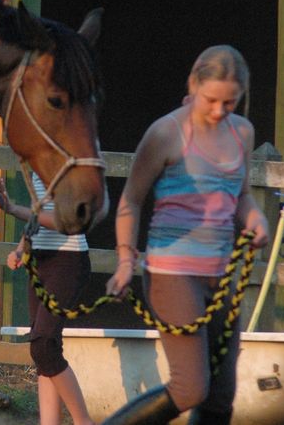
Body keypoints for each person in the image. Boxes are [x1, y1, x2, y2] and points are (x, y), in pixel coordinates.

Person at [103, 45, 269, 425]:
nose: (219, 110)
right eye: (211, 100)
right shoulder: (166, 132)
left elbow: (241, 194)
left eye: (230, 102)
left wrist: (256, 218)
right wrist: (126, 261)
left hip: (221, 274)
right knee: (190, 388)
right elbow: (131, 199)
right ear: (193, 84)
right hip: (172, 273)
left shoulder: (242, 132)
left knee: (220, 398)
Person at [0, 173, 95, 425]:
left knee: (43, 344)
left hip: (68, 260)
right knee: (44, 350)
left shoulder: (71, 166)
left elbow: (65, 221)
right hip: (39, 260)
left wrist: (13, 209)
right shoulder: (37, 168)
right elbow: (36, 217)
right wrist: (21, 249)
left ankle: (83, 421)